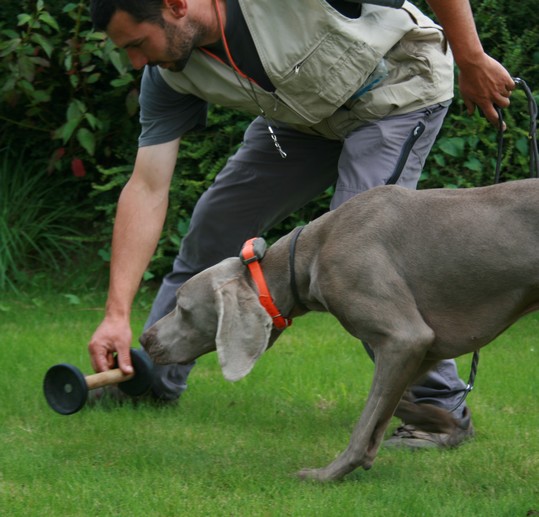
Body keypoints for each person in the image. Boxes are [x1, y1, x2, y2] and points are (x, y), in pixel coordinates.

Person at [88, 0, 515, 448]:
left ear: (175, 6)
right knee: (216, 226)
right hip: (304, 125)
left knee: (354, 260)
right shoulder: (169, 74)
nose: (136, 62)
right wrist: (116, 314)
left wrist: (471, 58)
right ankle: (149, 381)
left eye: (138, 44)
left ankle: (438, 411)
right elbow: (146, 188)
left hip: (396, 95)